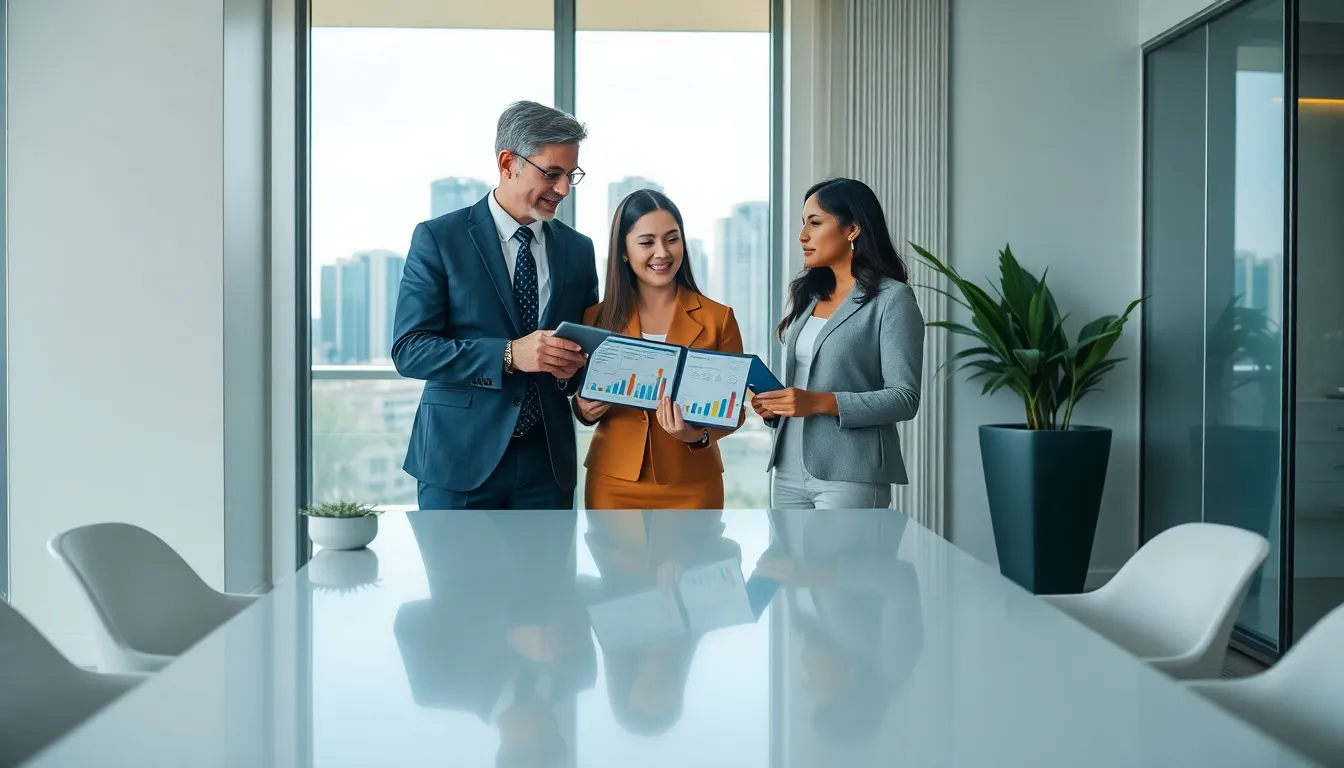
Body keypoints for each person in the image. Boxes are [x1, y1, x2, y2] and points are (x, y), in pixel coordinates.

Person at [392, 101, 599, 511]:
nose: (563, 190)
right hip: (458, 460)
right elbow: (410, 350)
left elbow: (582, 353)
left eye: (571, 175)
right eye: (552, 174)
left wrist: (587, 385)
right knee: (460, 579)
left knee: (547, 579)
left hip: (547, 465)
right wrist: (509, 355)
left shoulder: (578, 250)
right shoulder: (439, 238)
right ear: (508, 163)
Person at [751, 177, 925, 509]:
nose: (802, 235)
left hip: (850, 473)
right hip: (787, 469)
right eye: (803, 224)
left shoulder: (893, 299)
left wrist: (817, 402)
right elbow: (804, 382)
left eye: (815, 223)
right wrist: (776, 408)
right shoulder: (810, 295)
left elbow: (905, 398)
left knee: (839, 563)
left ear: (852, 229)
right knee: (788, 561)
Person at [572, 189, 745, 510]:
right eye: (647, 242)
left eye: (672, 239)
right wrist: (583, 409)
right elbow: (582, 397)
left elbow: (734, 411)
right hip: (613, 482)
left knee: (694, 561)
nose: (662, 253)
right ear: (623, 250)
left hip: (692, 482)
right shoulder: (595, 318)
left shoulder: (718, 318)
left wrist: (697, 435)